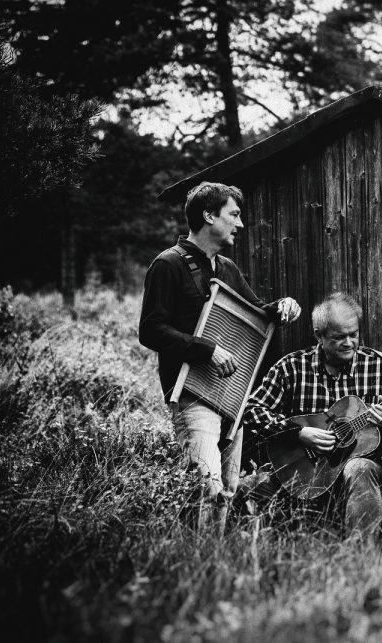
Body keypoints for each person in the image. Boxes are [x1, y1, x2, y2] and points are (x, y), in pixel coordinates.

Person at [139, 181, 302, 518]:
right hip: (193, 398)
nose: (240, 224)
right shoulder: (168, 264)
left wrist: (282, 306)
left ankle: (214, 564)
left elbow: (256, 314)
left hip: (231, 399)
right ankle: (193, 561)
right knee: (207, 488)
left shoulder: (226, 268)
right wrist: (207, 349)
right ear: (209, 215)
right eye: (234, 215)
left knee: (226, 493)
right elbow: (150, 330)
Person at [240, 292, 382, 538]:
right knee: (245, 490)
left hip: (358, 467)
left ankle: (360, 561)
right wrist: (298, 433)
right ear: (319, 335)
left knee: (358, 468)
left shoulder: (380, 368)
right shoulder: (291, 368)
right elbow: (251, 410)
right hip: (302, 470)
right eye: (338, 337)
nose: (349, 343)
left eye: (353, 335)